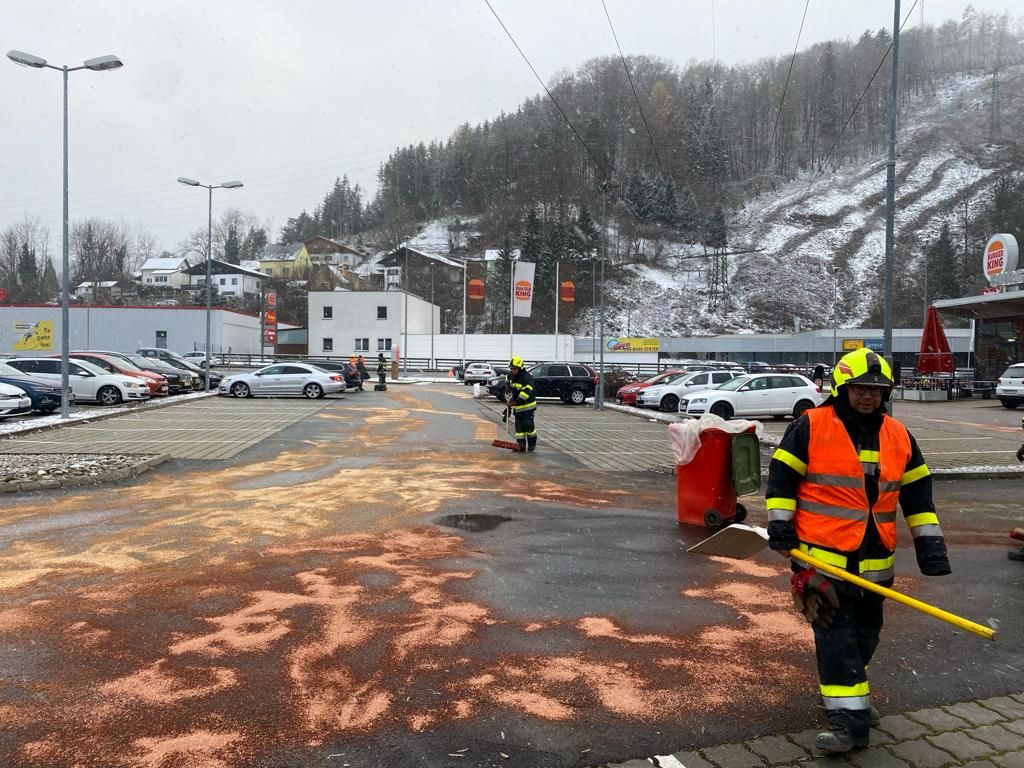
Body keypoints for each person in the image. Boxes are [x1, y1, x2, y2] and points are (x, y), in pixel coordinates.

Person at [765, 347, 950, 754]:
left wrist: (931, 548)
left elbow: (918, 497)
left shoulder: (899, 435)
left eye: (877, 390)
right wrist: (780, 528)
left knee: (867, 636)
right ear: (842, 388)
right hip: (823, 561)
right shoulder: (810, 426)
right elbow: (781, 481)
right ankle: (850, 724)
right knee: (837, 639)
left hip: (876, 563)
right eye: (860, 388)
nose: (868, 396)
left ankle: (853, 693)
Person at [505, 356, 537, 453]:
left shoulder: (526, 378)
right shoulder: (511, 375)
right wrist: (507, 387)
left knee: (528, 426)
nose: (512, 370)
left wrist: (515, 402)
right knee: (519, 428)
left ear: (520, 368)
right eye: (511, 368)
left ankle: (531, 445)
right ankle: (520, 446)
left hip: (528, 407)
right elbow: (507, 379)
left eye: (514, 368)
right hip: (518, 408)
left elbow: (526, 393)